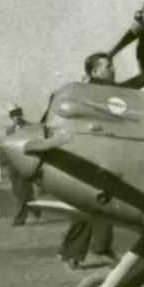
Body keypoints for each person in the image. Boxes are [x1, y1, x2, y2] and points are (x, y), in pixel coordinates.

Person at [58, 53, 118, 268]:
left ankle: (84, 250)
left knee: (98, 202)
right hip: (93, 154)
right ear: (94, 72)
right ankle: (82, 251)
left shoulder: (104, 89)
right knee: (92, 203)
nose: (113, 69)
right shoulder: (92, 90)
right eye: (107, 66)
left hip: (101, 153)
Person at [5, 105, 40, 226]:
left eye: (18, 114)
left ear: (21, 115)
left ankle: (19, 219)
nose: (16, 117)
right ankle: (36, 209)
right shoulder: (9, 130)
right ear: (11, 117)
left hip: (25, 164)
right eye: (14, 115)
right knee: (18, 192)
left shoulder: (30, 128)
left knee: (23, 191)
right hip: (13, 165)